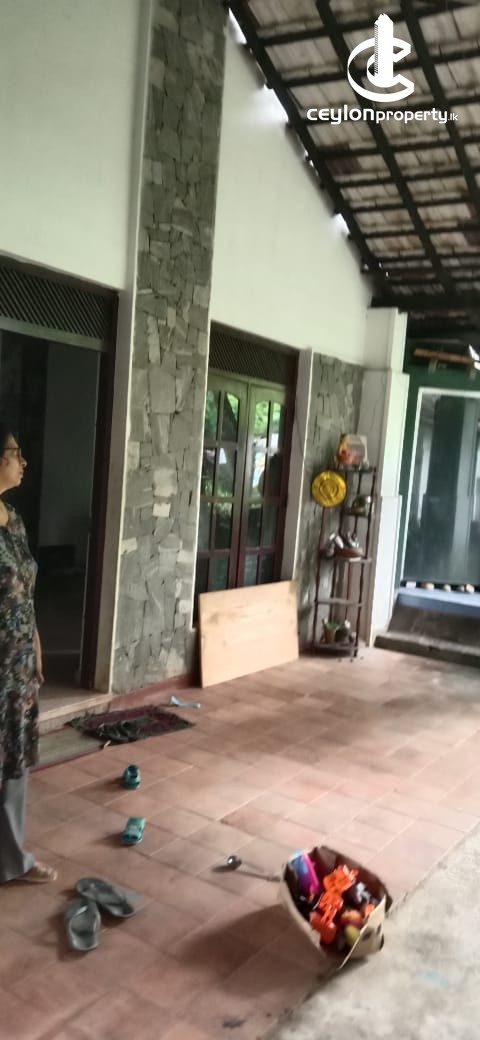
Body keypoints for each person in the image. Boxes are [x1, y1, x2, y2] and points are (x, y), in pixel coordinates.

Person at [0, 422, 57, 883]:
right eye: (16, 453)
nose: (23, 461)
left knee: (14, 761)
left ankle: (11, 859)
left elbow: (24, 590)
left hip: (17, 665)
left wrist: (34, 642)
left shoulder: (13, 519)